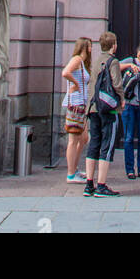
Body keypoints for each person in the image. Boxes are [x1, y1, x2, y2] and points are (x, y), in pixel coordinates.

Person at [83, 31, 124, 198]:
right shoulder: (112, 61)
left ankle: (89, 184)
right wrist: (121, 99)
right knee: (107, 146)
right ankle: (101, 185)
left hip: (93, 108)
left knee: (94, 144)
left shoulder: (96, 61)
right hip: (108, 109)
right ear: (113, 45)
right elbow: (117, 84)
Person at [118, 41, 140, 180]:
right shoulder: (129, 61)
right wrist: (130, 66)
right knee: (128, 138)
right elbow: (115, 66)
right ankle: (130, 169)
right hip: (129, 104)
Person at [61, 36, 92, 183]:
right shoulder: (78, 59)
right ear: (84, 47)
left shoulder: (81, 62)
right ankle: (71, 173)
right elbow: (65, 72)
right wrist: (75, 84)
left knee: (84, 138)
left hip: (81, 105)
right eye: (90, 46)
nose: (91, 49)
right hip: (75, 104)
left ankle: (74, 168)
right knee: (73, 140)